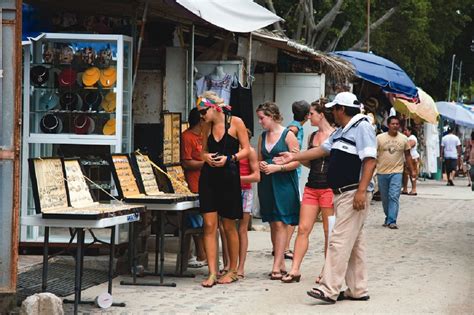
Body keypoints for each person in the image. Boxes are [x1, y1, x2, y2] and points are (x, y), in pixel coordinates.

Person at [274, 91, 377, 304]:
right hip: (343, 192)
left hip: (352, 191)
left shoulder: (362, 127)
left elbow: (369, 160)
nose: (332, 113)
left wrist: (361, 190)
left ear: (341, 109)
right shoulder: (342, 131)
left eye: (334, 109)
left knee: (338, 241)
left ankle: (329, 289)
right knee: (355, 243)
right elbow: (321, 151)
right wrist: (293, 156)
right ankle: (357, 288)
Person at [197, 91, 250, 287]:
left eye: (203, 112)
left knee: (229, 225)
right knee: (209, 225)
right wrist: (206, 157)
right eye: (200, 113)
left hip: (229, 176)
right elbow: (202, 151)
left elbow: (246, 149)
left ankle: (232, 269)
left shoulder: (235, 122)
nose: (201, 116)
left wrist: (231, 158)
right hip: (209, 178)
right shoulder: (206, 126)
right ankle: (212, 272)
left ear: (214, 107)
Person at [281, 99, 335, 284]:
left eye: (312, 113)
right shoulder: (312, 136)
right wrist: (298, 155)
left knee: (329, 231)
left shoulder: (336, 135)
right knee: (303, 229)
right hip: (312, 186)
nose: (309, 116)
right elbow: (310, 162)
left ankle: (326, 270)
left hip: (329, 187)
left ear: (321, 115)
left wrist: (296, 155)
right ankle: (295, 269)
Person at [256, 101, 300, 280]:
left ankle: (276, 265)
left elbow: (298, 160)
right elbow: (258, 158)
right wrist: (261, 164)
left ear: (272, 116)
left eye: (262, 118)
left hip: (283, 182)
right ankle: (280, 261)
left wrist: (278, 168)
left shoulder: (288, 135)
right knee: (273, 222)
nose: (260, 122)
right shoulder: (262, 136)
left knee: (282, 222)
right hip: (267, 183)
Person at [376, 116, 415, 230]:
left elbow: (407, 155)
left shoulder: (403, 139)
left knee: (394, 196)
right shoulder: (379, 138)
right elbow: (374, 154)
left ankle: (392, 220)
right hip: (382, 172)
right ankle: (388, 216)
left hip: (397, 172)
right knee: (385, 198)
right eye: (393, 124)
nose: (395, 126)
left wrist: (412, 170)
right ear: (388, 125)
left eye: (397, 124)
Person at [284, 100, 310, 260]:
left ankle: (284, 246)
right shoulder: (293, 128)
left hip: (294, 172)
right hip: (291, 172)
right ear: (307, 116)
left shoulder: (296, 127)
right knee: (294, 212)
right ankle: (285, 247)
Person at [181, 108, 207, 268]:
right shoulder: (187, 137)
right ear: (201, 120)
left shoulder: (205, 136)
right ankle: (198, 255)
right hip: (194, 185)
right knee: (195, 222)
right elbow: (186, 162)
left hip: (206, 184)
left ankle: (202, 254)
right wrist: (206, 164)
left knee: (205, 223)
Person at [236, 129, 260, 279]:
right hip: (230, 191)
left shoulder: (250, 152)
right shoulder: (230, 152)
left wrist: (237, 179)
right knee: (227, 229)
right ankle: (228, 264)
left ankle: (241, 266)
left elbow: (256, 176)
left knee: (242, 229)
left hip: (245, 191)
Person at [402, 126, 420, 195]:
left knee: (413, 173)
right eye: (403, 130)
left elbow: (409, 146)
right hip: (406, 159)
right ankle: (405, 189)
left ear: (410, 131)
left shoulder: (412, 138)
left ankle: (414, 189)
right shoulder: (406, 138)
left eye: (406, 130)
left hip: (413, 158)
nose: (404, 132)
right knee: (405, 174)